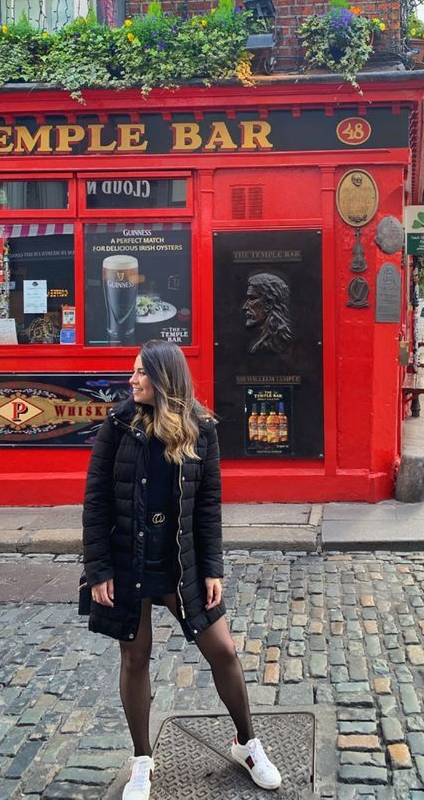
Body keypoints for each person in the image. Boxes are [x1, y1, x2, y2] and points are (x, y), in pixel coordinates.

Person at [82, 339, 282, 799]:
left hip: (181, 562)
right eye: (132, 372)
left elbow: (208, 506)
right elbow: (96, 502)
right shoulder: (117, 425)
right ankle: (141, 761)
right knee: (135, 657)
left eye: (140, 373)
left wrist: (212, 568)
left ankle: (246, 743)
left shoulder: (202, 429)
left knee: (223, 651)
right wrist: (98, 570)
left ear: (164, 378)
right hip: (128, 560)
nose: (132, 380)